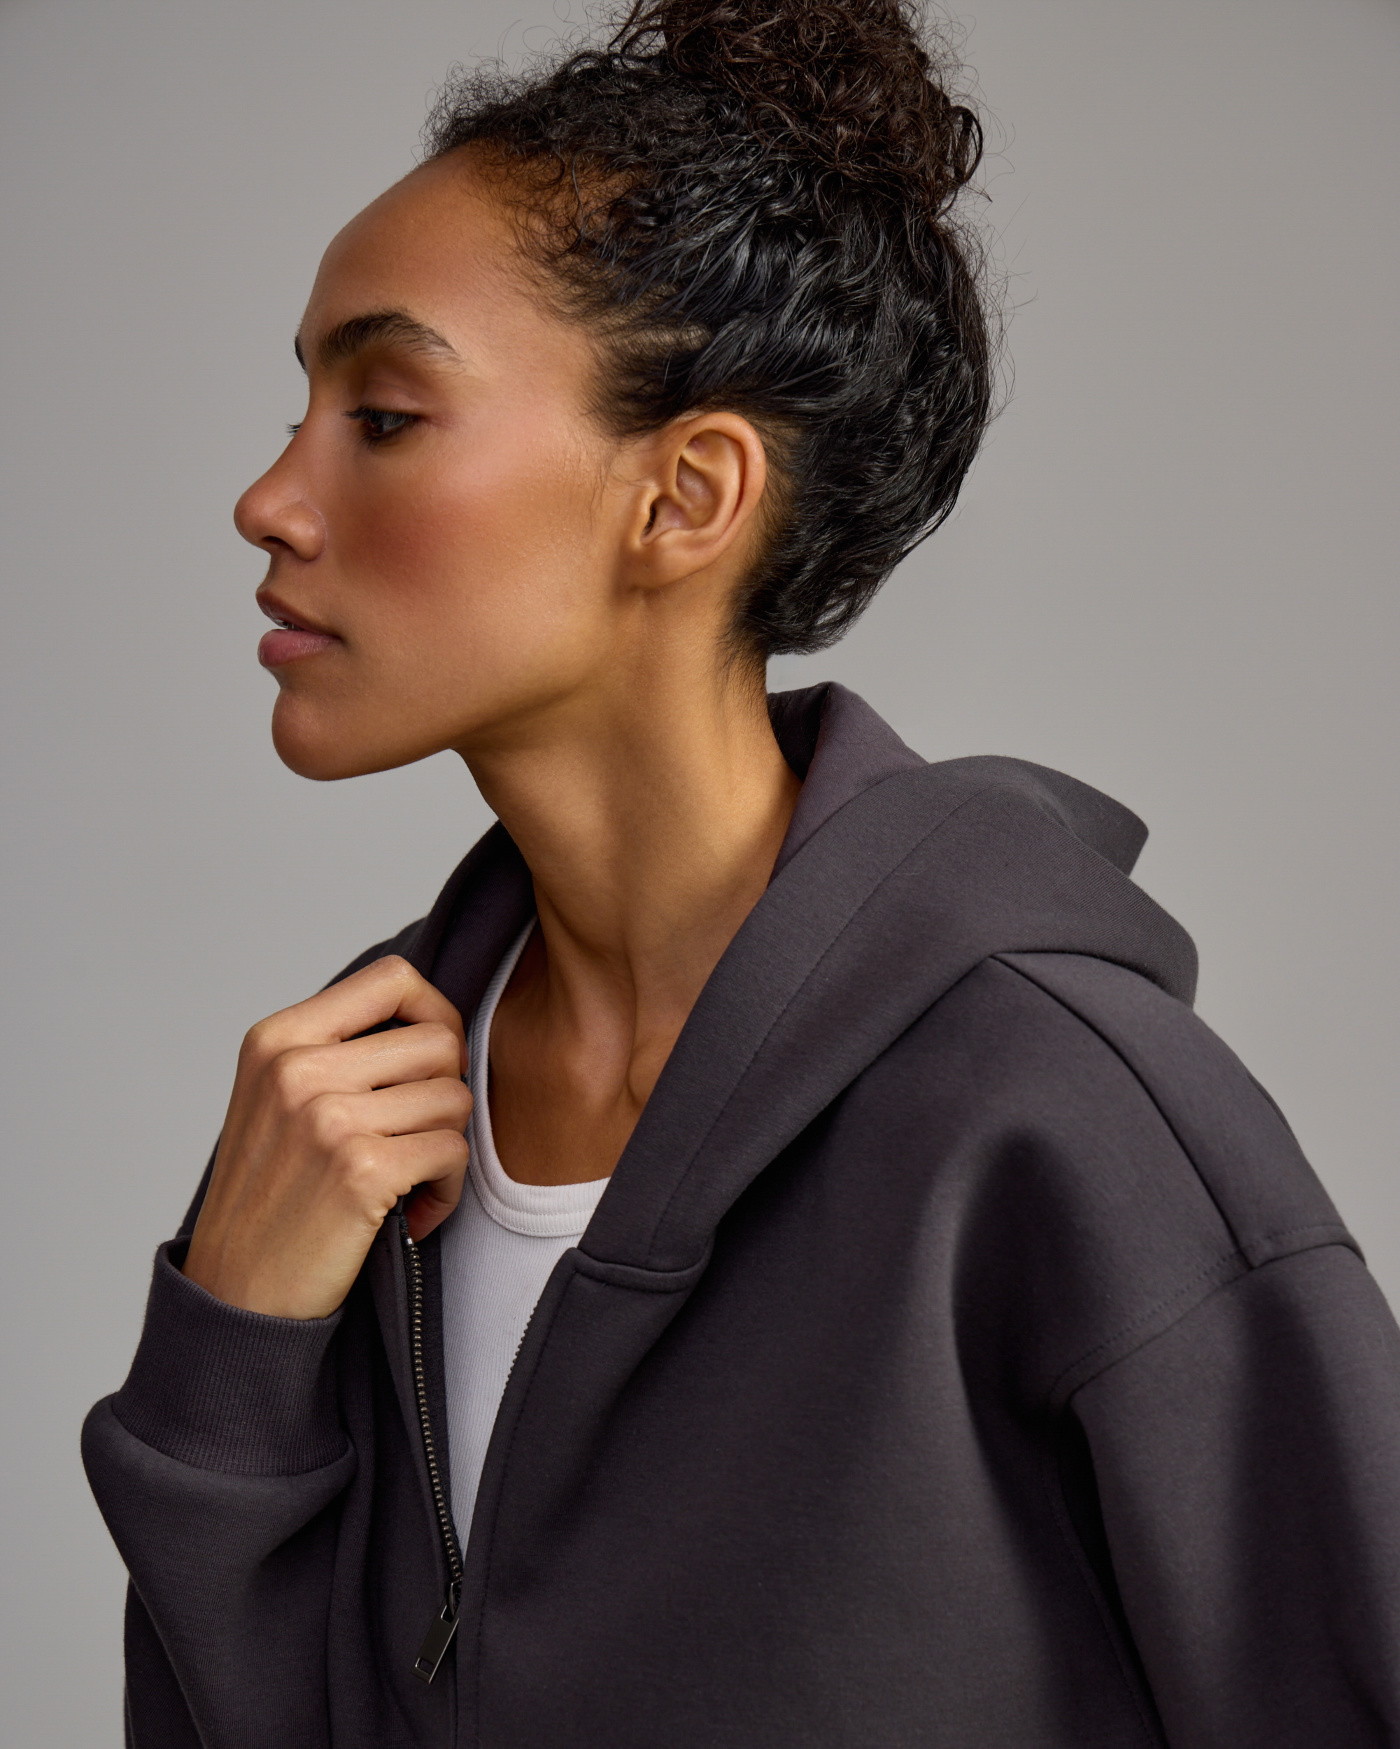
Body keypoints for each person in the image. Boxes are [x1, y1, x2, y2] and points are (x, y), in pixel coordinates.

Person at [83, 1, 1400, 1744]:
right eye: (300, 407)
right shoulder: (344, 1126)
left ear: (688, 496)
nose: (269, 496)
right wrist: (232, 1356)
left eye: (383, 414)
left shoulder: (1059, 1119)